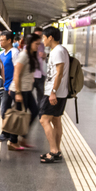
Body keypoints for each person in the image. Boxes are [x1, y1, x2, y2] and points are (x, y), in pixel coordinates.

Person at [38, 26, 70, 163]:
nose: (42, 40)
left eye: (44, 37)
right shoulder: (60, 50)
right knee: (56, 120)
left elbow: (59, 73)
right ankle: (57, 150)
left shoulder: (57, 51)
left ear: (50, 37)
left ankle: (54, 151)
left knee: (44, 120)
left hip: (54, 92)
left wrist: (53, 92)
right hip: (59, 92)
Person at [7, 33, 41, 150]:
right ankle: (13, 142)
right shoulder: (23, 55)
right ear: (30, 43)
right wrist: (17, 93)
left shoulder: (31, 55)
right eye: (36, 44)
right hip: (19, 90)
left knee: (35, 111)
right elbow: (16, 74)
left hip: (26, 90)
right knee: (18, 116)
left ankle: (23, 138)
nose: (38, 46)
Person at [0, 31, 16, 144]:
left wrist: (13, 86)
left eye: (2, 40)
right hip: (3, 86)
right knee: (5, 109)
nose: (0, 42)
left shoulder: (14, 53)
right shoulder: (2, 53)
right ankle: (7, 131)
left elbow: (18, 70)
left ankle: (6, 132)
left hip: (9, 86)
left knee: (5, 109)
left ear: (9, 40)